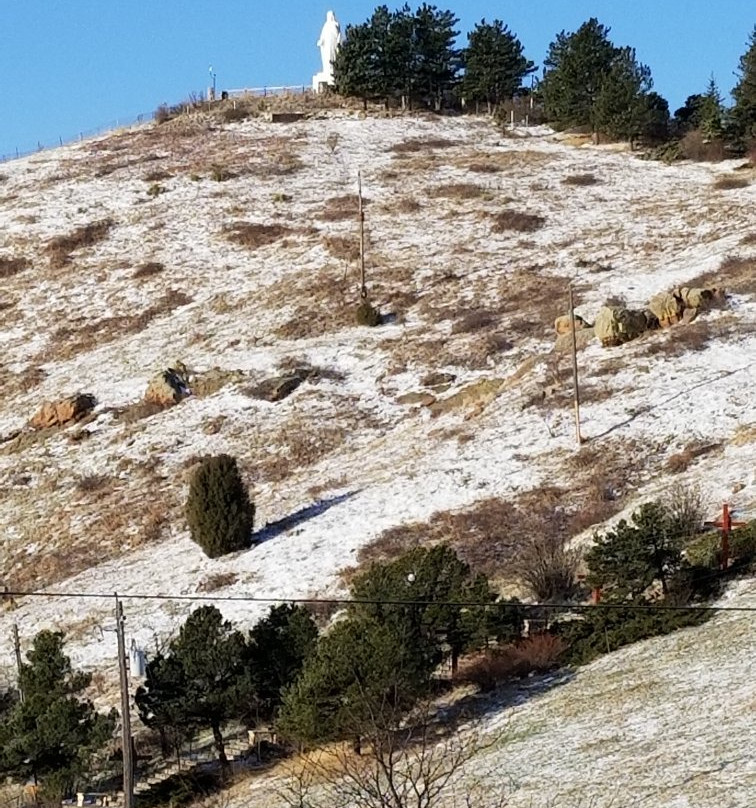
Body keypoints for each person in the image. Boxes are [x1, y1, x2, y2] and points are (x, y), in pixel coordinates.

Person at [317, 11, 341, 82]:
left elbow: (339, 34)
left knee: (333, 56)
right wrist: (321, 41)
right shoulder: (326, 25)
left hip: (333, 43)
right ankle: (327, 70)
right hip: (327, 44)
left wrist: (338, 42)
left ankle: (333, 68)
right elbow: (323, 35)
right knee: (327, 57)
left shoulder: (336, 24)